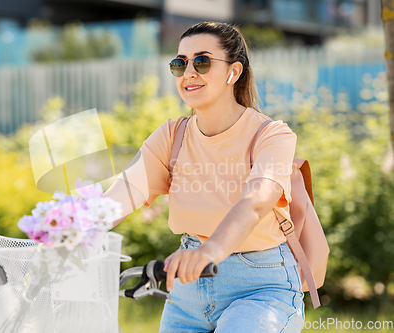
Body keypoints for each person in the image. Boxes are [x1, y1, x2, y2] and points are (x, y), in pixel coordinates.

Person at [104, 21, 304, 332]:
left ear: (233, 72)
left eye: (202, 61)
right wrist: (62, 232)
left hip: (260, 288)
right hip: (188, 292)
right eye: (179, 63)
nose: (188, 72)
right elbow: (120, 196)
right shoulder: (172, 136)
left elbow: (255, 202)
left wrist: (209, 252)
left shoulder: (271, 135)